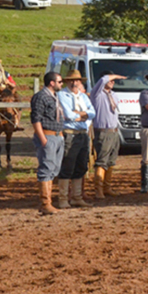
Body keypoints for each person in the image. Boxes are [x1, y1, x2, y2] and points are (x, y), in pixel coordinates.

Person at [56, 70, 96, 209]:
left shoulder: (84, 97)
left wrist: (79, 115)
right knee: (67, 164)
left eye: (77, 80)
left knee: (81, 165)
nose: (74, 83)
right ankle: (63, 198)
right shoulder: (61, 95)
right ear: (67, 82)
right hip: (69, 132)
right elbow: (67, 114)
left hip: (82, 133)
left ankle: (76, 197)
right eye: (71, 81)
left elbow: (93, 113)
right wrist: (83, 115)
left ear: (80, 82)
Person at [30, 72, 65, 215]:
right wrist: (42, 138)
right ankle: (45, 203)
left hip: (57, 136)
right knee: (46, 167)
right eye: (60, 81)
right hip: (48, 135)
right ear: (52, 83)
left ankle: (48, 201)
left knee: (54, 168)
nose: (61, 84)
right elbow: (36, 118)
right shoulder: (41, 97)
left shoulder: (54, 96)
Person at [89, 71, 126, 199]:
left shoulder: (114, 95)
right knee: (102, 161)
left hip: (114, 131)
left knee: (111, 161)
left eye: (113, 80)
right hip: (103, 131)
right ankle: (98, 190)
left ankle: (107, 187)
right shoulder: (97, 94)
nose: (112, 82)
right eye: (110, 80)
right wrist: (115, 75)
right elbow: (103, 79)